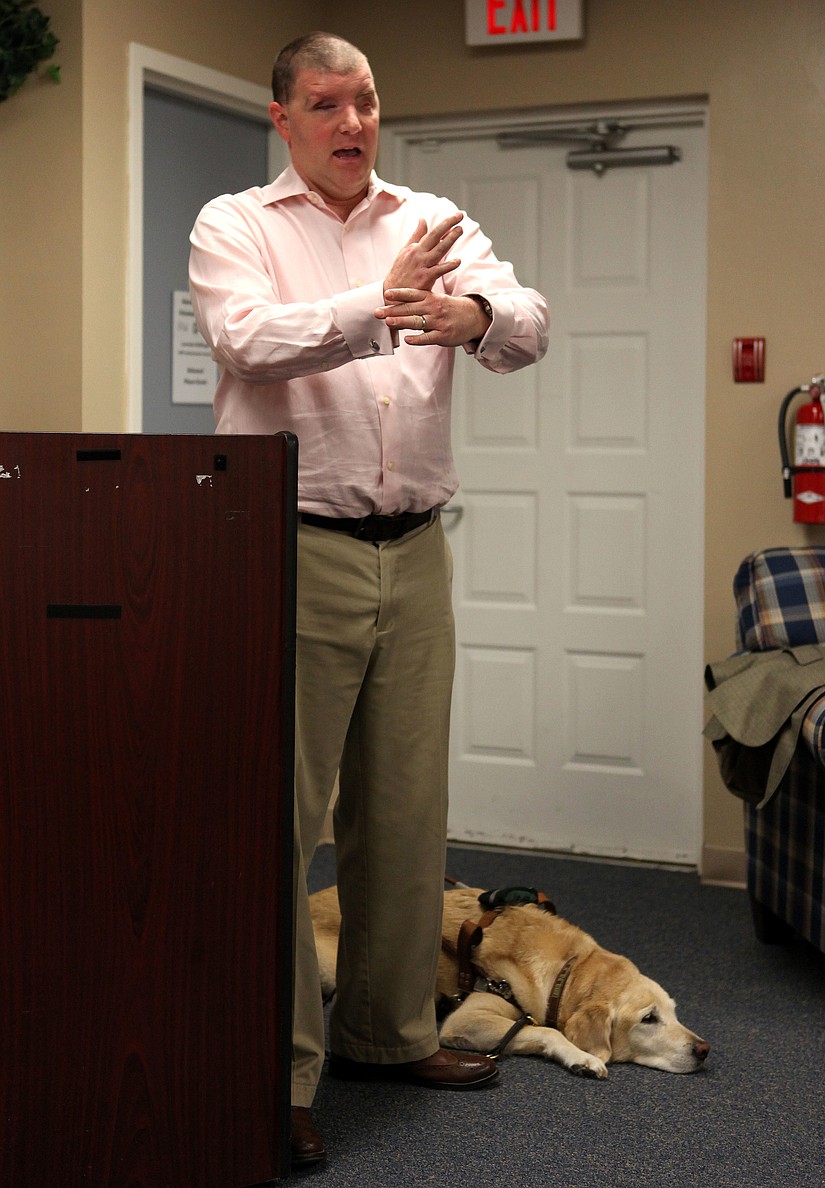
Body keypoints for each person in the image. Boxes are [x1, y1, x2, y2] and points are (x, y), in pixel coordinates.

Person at [189, 31, 549, 1169]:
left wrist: (477, 316)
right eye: (325, 103)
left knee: (403, 812)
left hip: (416, 548)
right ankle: (277, 1073)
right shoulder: (235, 225)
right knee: (281, 824)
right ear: (282, 117)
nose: (352, 123)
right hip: (290, 547)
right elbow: (244, 340)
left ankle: (388, 1038)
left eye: (367, 101)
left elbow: (528, 317)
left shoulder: (430, 219)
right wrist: (375, 307)